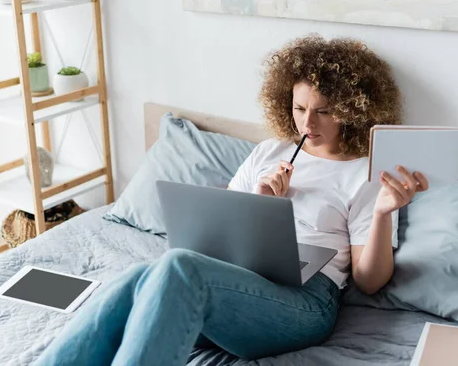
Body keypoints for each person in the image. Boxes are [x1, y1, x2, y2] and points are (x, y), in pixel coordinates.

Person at [36, 34, 429, 366]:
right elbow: (216, 230)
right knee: (138, 277)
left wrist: (381, 213)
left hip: (306, 301)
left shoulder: (363, 172)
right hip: (238, 278)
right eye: (299, 108)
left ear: (350, 111)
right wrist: (263, 203)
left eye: (324, 112)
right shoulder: (268, 153)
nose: (308, 124)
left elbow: (370, 280)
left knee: (179, 266)